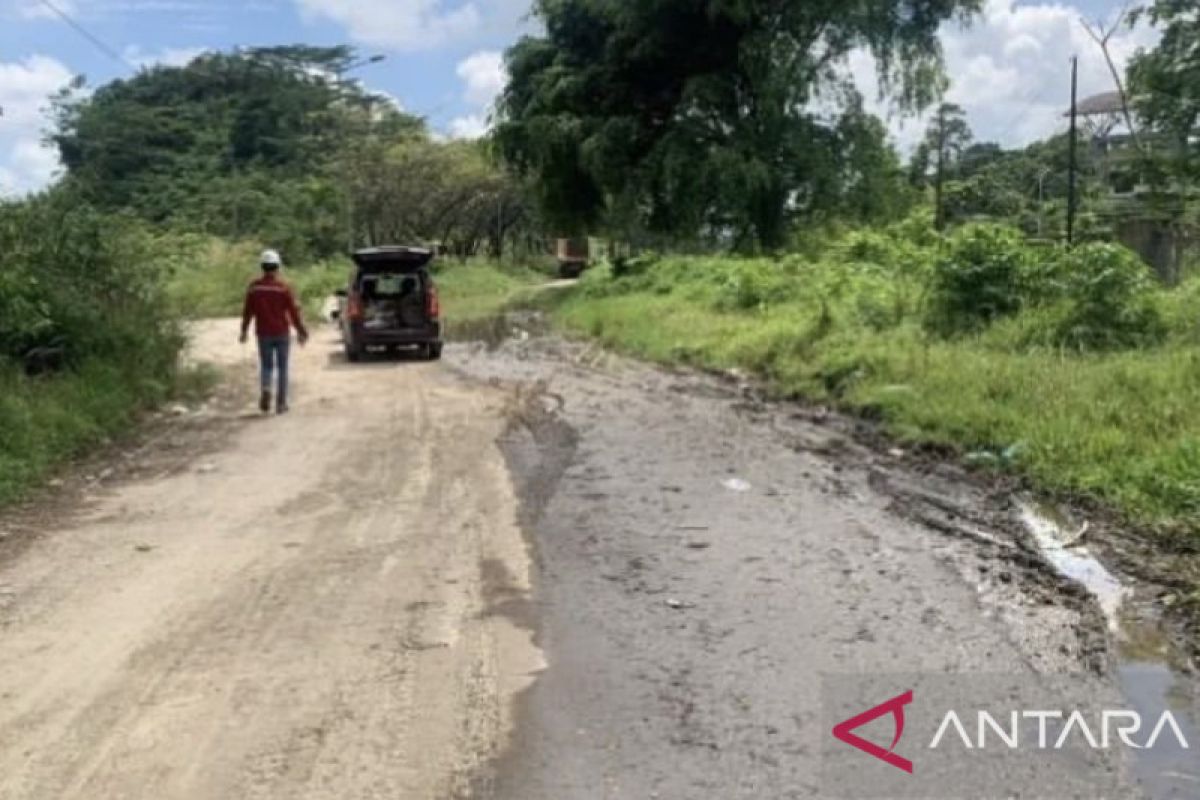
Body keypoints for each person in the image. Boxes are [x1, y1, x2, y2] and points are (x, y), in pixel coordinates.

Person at [239, 250, 309, 414]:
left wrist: (244, 330)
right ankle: (281, 403)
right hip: (281, 332)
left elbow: (248, 311)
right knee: (283, 367)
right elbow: (293, 312)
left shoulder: (254, 287)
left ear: (262, 267)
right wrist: (301, 331)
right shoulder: (283, 288)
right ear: (277, 267)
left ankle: (266, 387)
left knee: (266, 365)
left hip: (263, 333)